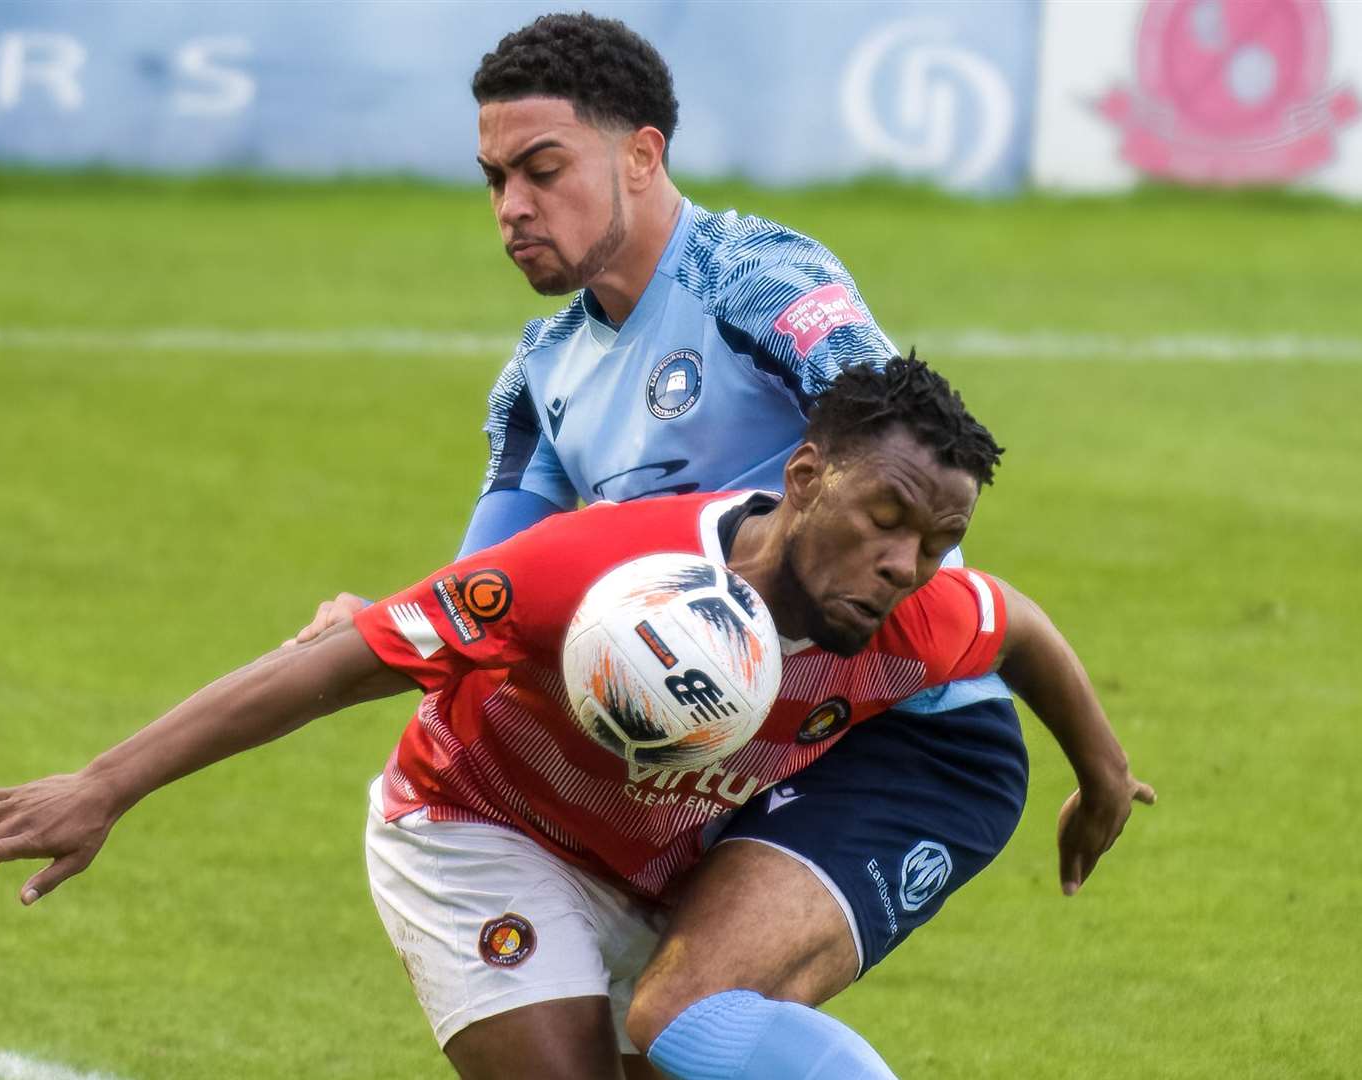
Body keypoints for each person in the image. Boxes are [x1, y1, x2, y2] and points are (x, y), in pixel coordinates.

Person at [286, 13, 1154, 1075]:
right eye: (493, 179)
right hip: (736, 731)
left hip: (907, 731)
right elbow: (483, 590)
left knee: (686, 1017)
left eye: (541, 169)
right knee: (676, 1049)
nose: (511, 207)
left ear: (640, 155)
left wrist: (1098, 765)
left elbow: (903, 457)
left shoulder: (757, 282)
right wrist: (375, 622)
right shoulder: (540, 378)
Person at [0, 361, 1146, 1079]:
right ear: (806, 475)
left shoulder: (911, 615)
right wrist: (103, 786)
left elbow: (1021, 625)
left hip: (661, 863)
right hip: (474, 832)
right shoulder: (589, 572)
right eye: (884, 515)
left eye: (933, 540)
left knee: (692, 1042)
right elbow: (338, 666)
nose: (904, 560)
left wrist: (1098, 777)